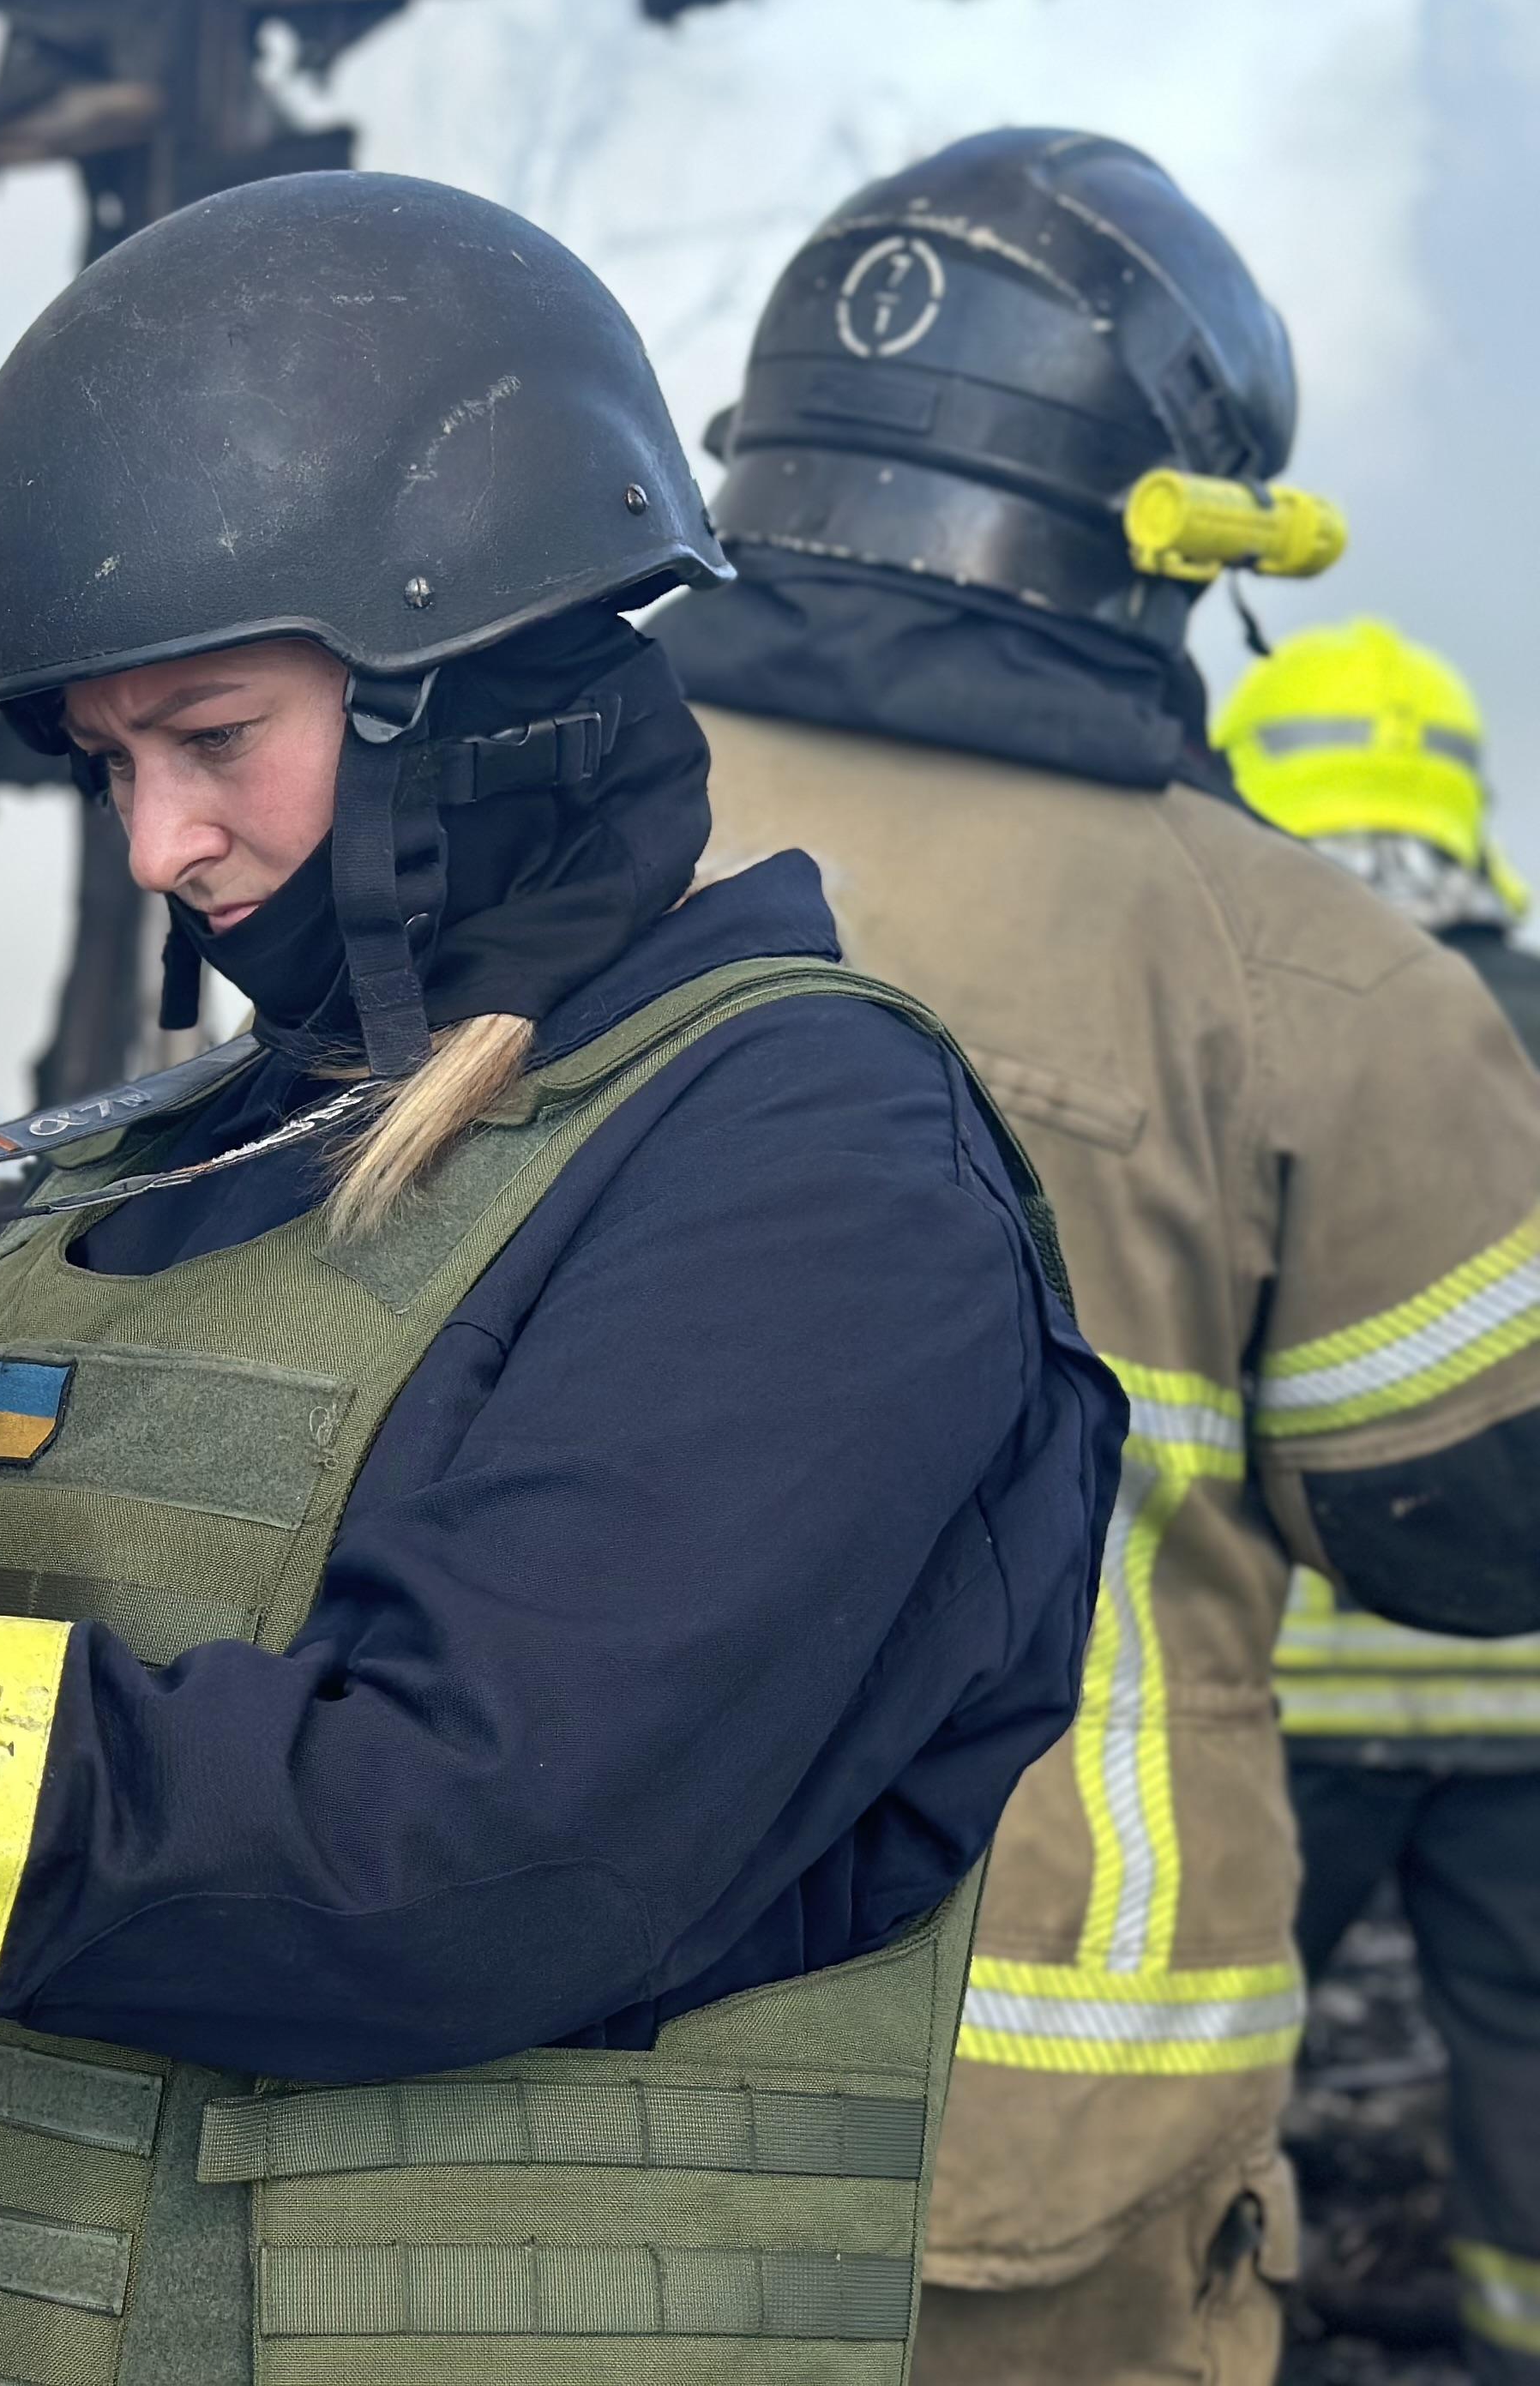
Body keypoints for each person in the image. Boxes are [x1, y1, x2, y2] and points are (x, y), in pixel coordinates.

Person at [0, 170, 1119, 2386]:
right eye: (110, 767)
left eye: (209, 737)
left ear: (464, 697)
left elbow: (437, 1862)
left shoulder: (809, 1179)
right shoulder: (190, 1168)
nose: (159, 847)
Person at [655, 129, 1540, 2386]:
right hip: (1023, 2114)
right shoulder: (1300, 979)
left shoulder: (511, 836)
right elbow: (1468, 1526)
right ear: (1186, 533)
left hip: (481, 2049)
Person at [1216, 617, 1540, 2385]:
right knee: (1528, 2061)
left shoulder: (1245, 1030)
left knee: (1217, 2059)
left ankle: (1214, 2333)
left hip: (1296, 1678)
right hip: (1526, 1677)